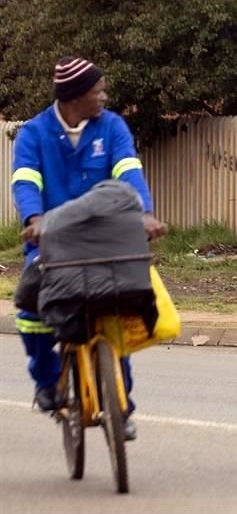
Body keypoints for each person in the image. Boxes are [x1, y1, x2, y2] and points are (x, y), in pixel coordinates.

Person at [12, 56, 167, 441]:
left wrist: (144, 215)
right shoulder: (34, 133)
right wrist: (34, 219)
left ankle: (121, 406)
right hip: (52, 238)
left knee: (119, 309)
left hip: (107, 237)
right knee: (32, 308)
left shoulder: (112, 127)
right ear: (76, 97)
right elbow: (25, 180)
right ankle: (47, 383)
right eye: (98, 91)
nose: (105, 96)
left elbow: (128, 171)